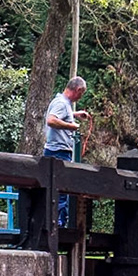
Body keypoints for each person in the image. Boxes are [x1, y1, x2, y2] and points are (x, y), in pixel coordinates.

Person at [42, 77, 91, 225]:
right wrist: (72, 126)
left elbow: (59, 115)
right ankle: (58, 225)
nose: (80, 97)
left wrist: (75, 115)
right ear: (78, 90)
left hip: (58, 151)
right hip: (58, 152)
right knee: (60, 191)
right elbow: (51, 120)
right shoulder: (61, 103)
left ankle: (57, 223)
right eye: (81, 94)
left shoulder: (64, 103)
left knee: (60, 191)